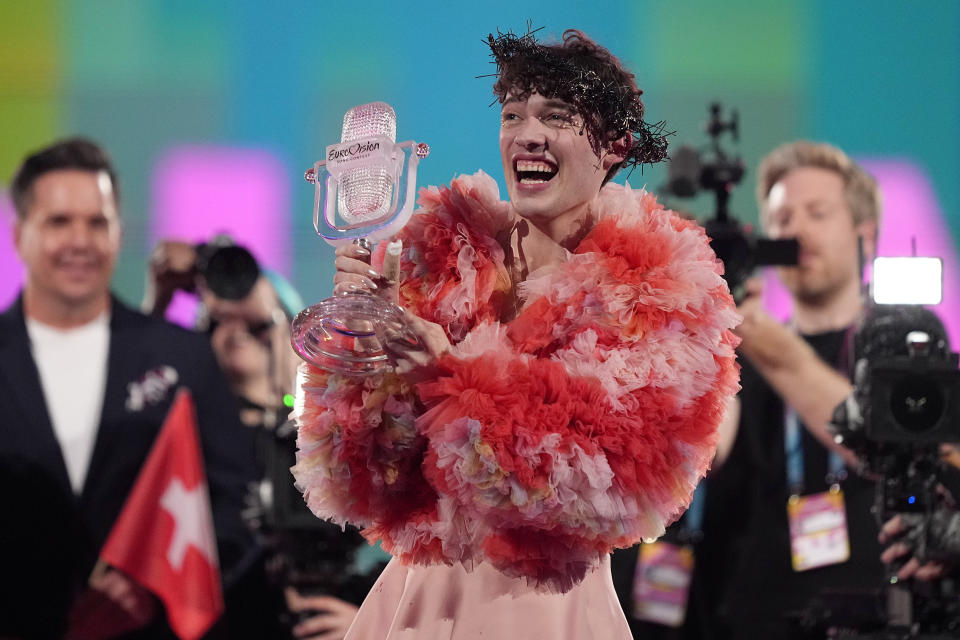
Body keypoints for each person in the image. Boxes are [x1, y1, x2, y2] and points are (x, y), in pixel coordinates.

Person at [291, 29, 740, 639]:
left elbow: (604, 485)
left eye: (556, 117)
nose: (528, 134)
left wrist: (446, 376)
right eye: (513, 115)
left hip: (553, 610)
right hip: (416, 603)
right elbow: (360, 481)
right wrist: (361, 350)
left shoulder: (662, 287)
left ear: (614, 146)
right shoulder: (438, 259)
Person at [0, 138, 257, 639]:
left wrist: (155, 584)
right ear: (19, 236)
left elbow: (235, 504)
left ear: (119, 234)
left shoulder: (182, 358)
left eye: (98, 222)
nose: (81, 241)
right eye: (59, 222)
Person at [145, 238, 386, 639]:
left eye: (256, 326)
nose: (237, 332)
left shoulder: (334, 430)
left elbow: (417, 533)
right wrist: (160, 300)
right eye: (219, 323)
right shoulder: (189, 435)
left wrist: (371, 617)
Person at [718, 140, 885, 638]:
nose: (798, 231)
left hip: (876, 614)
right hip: (760, 616)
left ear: (866, 238)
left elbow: (877, 442)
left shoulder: (904, 347)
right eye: (783, 218)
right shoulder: (739, 346)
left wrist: (765, 342)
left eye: (817, 213)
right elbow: (705, 459)